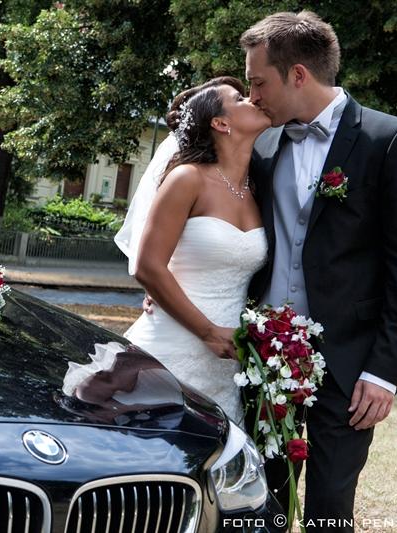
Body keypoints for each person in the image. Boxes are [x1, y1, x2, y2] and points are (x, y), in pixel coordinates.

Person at [241, 11, 397, 531]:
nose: (252, 96)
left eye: (259, 82)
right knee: (261, 505)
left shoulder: (389, 141)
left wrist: (384, 373)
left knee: (329, 508)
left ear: (298, 74)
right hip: (263, 357)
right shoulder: (261, 144)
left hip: (349, 362)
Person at [116, 77, 272, 424]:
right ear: (221, 123)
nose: (252, 100)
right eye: (239, 98)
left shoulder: (259, 188)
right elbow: (148, 266)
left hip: (228, 363)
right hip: (174, 345)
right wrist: (207, 331)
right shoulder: (187, 179)